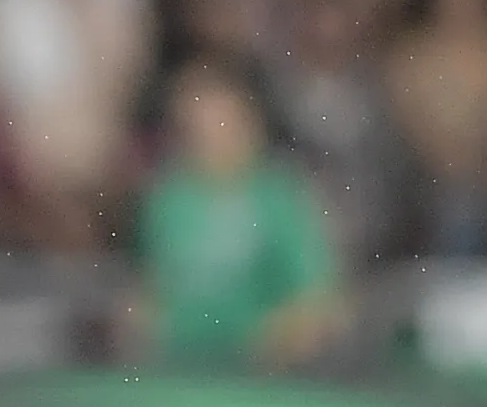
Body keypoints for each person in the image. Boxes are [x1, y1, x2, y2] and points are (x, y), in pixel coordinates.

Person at [136, 62, 345, 365]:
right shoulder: (166, 197)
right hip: (178, 368)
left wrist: (272, 341)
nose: (207, 134)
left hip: (260, 372)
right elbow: (150, 292)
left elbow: (319, 297)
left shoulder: (280, 195)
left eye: (218, 119)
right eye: (193, 122)